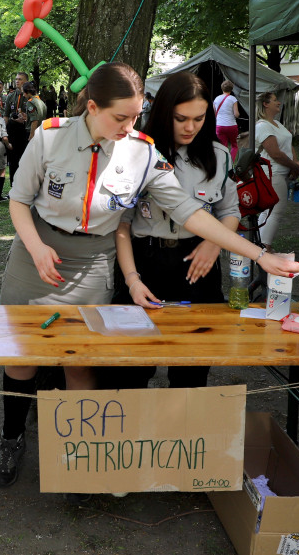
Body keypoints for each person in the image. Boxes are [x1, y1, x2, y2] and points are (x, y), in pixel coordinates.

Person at [0, 63, 299, 488]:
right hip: (37, 251)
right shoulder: (49, 136)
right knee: (22, 357)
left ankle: (77, 458)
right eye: (120, 117)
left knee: (83, 366)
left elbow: (189, 211)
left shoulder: (141, 151)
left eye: (136, 116)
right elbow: (18, 200)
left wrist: (259, 255)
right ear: (92, 107)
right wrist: (35, 247)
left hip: (92, 262)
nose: (130, 126)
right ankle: (12, 437)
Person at [112, 71, 239, 390]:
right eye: (181, 118)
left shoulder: (218, 155)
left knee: (192, 368)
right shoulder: (135, 154)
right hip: (144, 262)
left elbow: (230, 211)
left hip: (198, 266)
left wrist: (213, 244)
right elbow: (121, 224)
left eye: (198, 118)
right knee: (131, 367)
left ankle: (183, 433)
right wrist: (131, 280)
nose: (190, 127)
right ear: (164, 111)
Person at [254, 91, 299, 250]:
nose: (279, 102)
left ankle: (259, 244)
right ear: (265, 104)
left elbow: (289, 145)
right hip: (272, 173)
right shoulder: (262, 126)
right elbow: (275, 153)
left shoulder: (277, 124)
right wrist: (294, 166)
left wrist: (294, 162)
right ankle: (264, 248)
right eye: (275, 100)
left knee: (269, 211)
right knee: (276, 211)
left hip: (281, 173)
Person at [4, 72, 31, 184]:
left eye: (20, 79)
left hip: (25, 131)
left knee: (25, 159)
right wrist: (4, 132)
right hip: (12, 130)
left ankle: (25, 186)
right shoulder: (11, 96)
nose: (17, 81)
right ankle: (13, 185)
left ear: (26, 82)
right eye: (16, 79)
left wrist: (25, 118)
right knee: (13, 160)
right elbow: (6, 115)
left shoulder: (30, 97)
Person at [213, 80, 240, 161]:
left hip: (219, 126)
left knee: (223, 147)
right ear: (231, 89)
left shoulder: (216, 99)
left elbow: (213, 113)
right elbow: (236, 114)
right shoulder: (233, 99)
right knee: (234, 145)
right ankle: (231, 163)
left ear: (222, 88)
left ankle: (224, 163)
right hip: (231, 125)